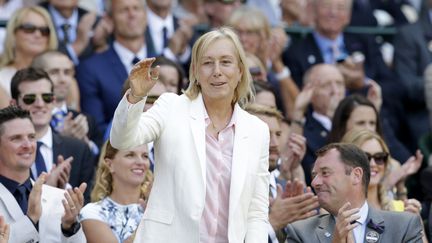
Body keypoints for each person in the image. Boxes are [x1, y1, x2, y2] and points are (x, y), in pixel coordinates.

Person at [110, 27, 270, 242]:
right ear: (195, 70)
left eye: (225, 62)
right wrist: (136, 96)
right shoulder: (171, 106)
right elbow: (122, 140)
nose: (217, 71)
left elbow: (256, 211)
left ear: (240, 70)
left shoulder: (257, 130)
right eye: (207, 63)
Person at [286, 143, 424, 243]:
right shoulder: (300, 233)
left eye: (325, 173)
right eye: (314, 175)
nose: (315, 182)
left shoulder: (403, 226)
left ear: (356, 175)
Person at [0, 105, 86, 243]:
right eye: (16, 138)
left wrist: (70, 228)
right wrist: (30, 219)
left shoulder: (58, 198)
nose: (28, 145)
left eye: (31, 137)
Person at [10, 67, 95, 201]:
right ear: (14, 105)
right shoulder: (4, 151)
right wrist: (48, 191)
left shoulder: (78, 150)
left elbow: (87, 205)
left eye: (46, 97)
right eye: (30, 98)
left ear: (54, 101)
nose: (39, 104)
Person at [76, 0, 156, 132]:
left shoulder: (164, 63)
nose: (132, 14)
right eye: (124, 10)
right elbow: (97, 128)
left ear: (146, 16)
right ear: (109, 20)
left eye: (136, 9)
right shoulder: (91, 68)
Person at [341, 129, 428, 243]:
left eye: (379, 157)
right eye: (365, 158)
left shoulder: (400, 209)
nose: (373, 164)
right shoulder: (336, 210)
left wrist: (417, 224)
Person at [32, 50, 103, 155]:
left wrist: (85, 144)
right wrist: (62, 139)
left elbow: (103, 161)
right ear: (36, 76)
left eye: (67, 72)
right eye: (54, 72)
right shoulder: (31, 119)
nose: (62, 79)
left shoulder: (87, 121)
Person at [80, 141, 153, 243]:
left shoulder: (159, 208)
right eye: (130, 155)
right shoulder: (92, 212)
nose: (141, 162)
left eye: (145, 156)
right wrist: (150, 218)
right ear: (110, 164)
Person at [0, 6, 57, 99]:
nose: (38, 35)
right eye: (29, 28)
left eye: (44, 31)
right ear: (13, 33)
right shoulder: (1, 79)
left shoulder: (63, 76)